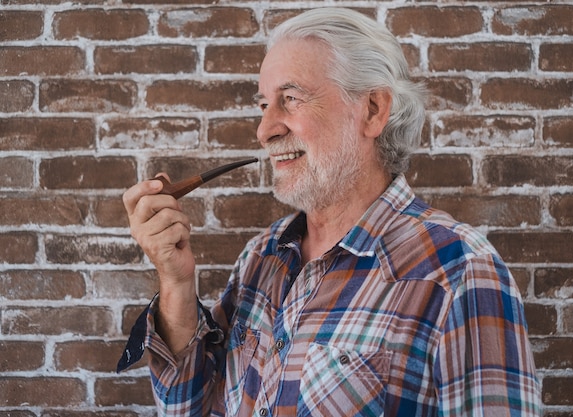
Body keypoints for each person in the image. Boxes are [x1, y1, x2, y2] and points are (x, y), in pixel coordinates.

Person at [119, 7, 541, 416]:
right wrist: (176, 281)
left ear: (373, 110)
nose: (265, 130)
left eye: (291, 98)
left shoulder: (459, 272)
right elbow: (186, 408)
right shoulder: (260, 259)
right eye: (264, 105)